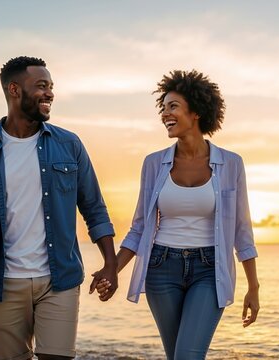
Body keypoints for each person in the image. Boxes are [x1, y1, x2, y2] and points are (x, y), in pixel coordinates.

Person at [0, 56, 118, 360]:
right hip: (4, 283)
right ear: (15, 90)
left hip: (59, 280)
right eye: (41, 86)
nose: (50, 94)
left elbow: (95, 209)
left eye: (51, 87)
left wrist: (110, 263)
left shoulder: (69, 145)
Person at [93, 69, 260, 360]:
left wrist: (253, 287)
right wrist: (113, 268)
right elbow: (140, 227)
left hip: (210, 270)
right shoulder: (154, 163)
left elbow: (242, 232)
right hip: (161, 268)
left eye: (173, 107)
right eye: (163, 107)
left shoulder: (231, 164)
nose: (165, 114)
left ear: (195, 112)